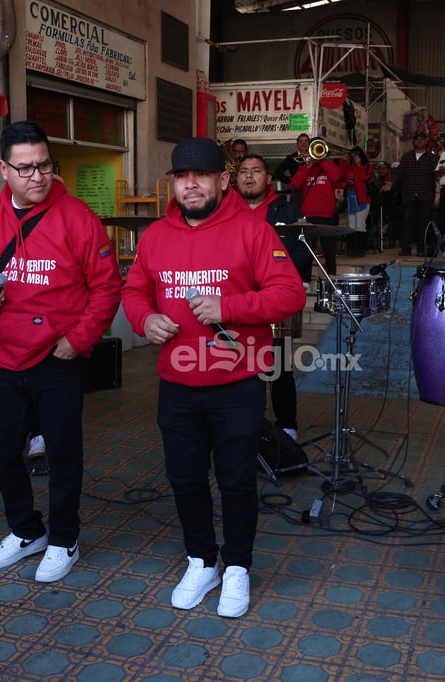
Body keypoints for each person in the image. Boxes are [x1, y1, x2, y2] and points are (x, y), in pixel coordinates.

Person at [122, 137, 305, 618]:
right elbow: (135, 288)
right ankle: (202, 561)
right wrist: (144, 319)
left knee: (237, 480)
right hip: (177, 386)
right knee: (184, 478)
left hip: (236, 381)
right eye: (182, 177)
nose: (191, 185)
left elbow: (289, 295)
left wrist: (232, 306)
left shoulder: (254, 231)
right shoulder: (156, 236)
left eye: (201, 176)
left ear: (222, 181)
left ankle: (238, 566)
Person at [0, 121, 121, 583]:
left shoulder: (78, 217)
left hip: (58, 357)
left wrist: (78, 341)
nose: (37, 176)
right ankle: (26, 531)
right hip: (2, 357)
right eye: (25, 168)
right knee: (1, 449)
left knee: (64, 453)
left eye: (44, 165)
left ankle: (64, 538)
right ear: (3, 168)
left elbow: (107, 289)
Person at [236, 153, 313, 441]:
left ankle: (287, 426)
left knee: (280, 364)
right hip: (239, 302)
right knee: (241, 365)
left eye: (256, 170)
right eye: (243, 171)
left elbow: (305, 245)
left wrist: (276, 275)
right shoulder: (225, 212)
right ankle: (246, 424)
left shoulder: (289, 210)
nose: (249, 176)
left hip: (277, 298)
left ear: (268, 179)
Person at [290, 145, 343, 275]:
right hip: (308, 215)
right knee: (306, 251)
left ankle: (331, 279)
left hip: (326, 215)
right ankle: (305, 280)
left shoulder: (329, 167)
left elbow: (336, 177)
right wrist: (309, 165)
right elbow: (295, 184)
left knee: (329, 251)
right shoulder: (304, 168)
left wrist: (322, 161)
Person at [384, 132, 437, 257]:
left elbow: (437, 175)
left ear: (426, 142)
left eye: (422, 139)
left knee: (424, 223)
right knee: (407, 222)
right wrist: (391, 184)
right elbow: (399, 174)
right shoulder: (407, 157)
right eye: (417, 139)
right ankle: (405, 248)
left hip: (426, 195)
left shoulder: (432, 158)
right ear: (414, 142)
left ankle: (421, 248)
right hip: (409, 195)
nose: (419, 141)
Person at [342, 146, 373, 257]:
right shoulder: (349, 167)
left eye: (356, 155)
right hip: (350, 199)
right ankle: (352, 249)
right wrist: (344, 161)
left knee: (360, 225)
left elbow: (364, 178)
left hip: (362, 200)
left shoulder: (367, 166)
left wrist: (359, 165)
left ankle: (360, 249)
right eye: (353, 156)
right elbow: (341, 175)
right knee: (351, 226)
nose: (354, 158)